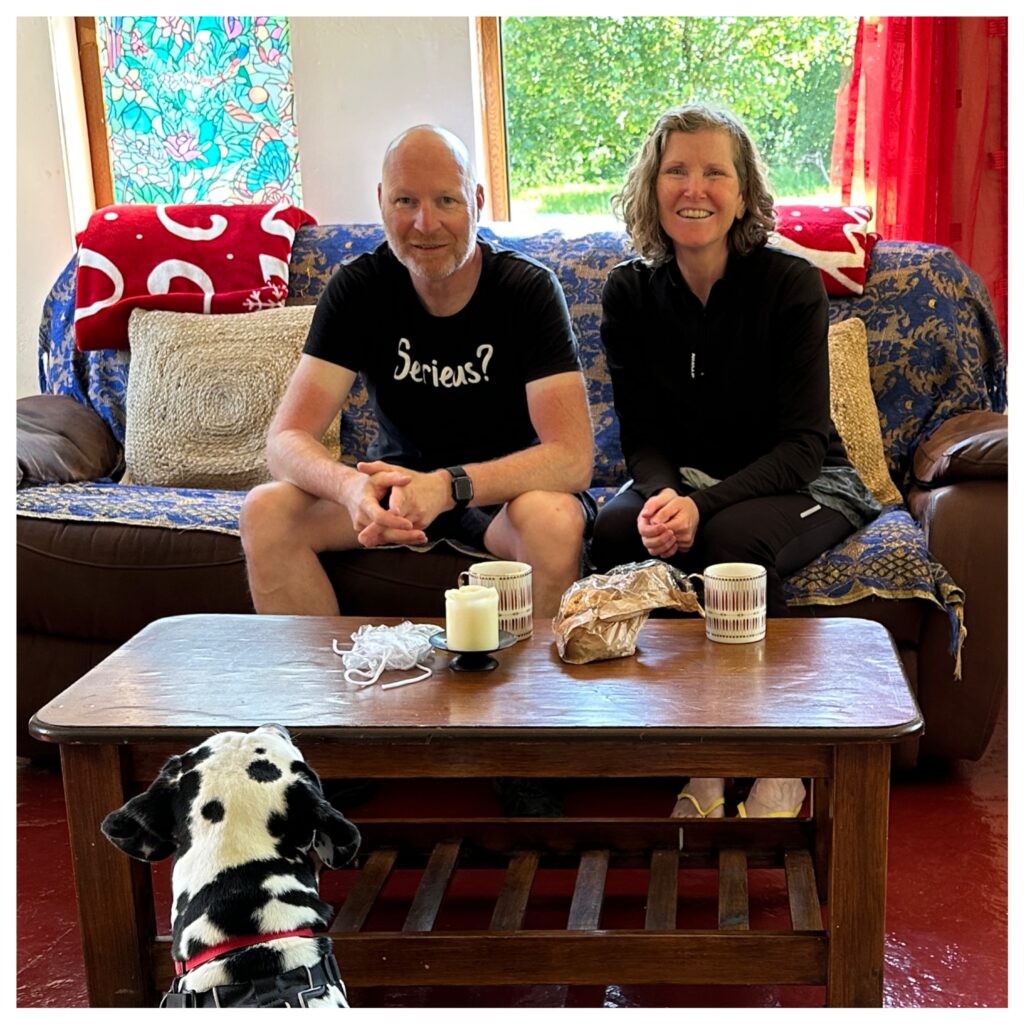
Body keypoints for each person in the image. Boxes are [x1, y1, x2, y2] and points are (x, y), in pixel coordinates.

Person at [591, 104, 881, 820]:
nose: (694, 189)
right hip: (688, 477)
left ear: (744, 193)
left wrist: (699, 508)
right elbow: (643, 435)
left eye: (714, 172)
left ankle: (776, 762)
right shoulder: (630, 291)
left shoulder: (789, 285)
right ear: (652, 188)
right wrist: (663, 498)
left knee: (730, 548)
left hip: (807, 478)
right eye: (676, 171)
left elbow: (803, 445)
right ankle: (681, 735)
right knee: (616, 530)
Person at [240, 124, 594, 626]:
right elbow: (285, 440)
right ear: (382, 202)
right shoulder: (358, 289)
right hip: (396, 489)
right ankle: (323, 680)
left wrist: (449, 486)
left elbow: (572, 458)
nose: (425, 224)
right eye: (406, 201)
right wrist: (349, 488)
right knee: (265, 512)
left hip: (502, 495)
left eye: (446, 200)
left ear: (476, 201)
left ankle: (530, 681)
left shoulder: (527, 290)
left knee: (553, 520)